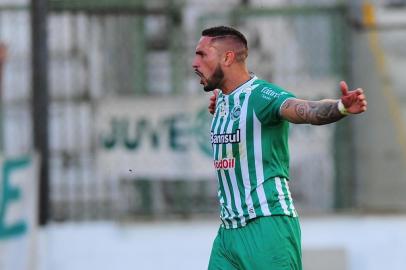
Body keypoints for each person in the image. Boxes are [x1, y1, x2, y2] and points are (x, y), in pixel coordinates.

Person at [192, 26, 367, 270]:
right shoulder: (223, 99)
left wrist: (340, 107)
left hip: (267, 227)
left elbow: (306, 110)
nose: (195, 62)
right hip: (228, 234)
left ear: (227, 57)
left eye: (202, 54)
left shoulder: (262, 96)